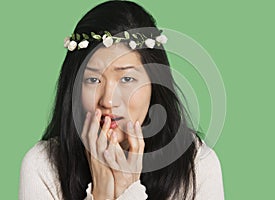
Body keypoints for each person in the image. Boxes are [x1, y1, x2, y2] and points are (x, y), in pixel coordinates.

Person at [19, 1, 224, 199]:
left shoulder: (197, 164)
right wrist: (101, 195)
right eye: (93, 79)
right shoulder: (42, 165)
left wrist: (128, 188)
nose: (108, 101)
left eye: (127, 79)